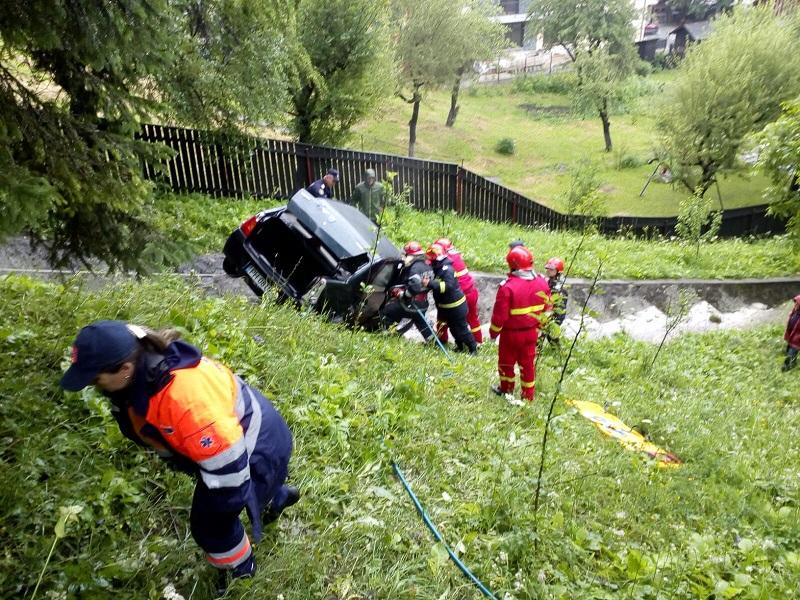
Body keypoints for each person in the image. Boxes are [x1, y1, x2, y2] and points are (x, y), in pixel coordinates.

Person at [59, 321, 299, 586]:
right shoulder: (140, 371)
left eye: (96, 379)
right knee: (235, 491)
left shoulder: (183, 399)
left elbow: (229, 469)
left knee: (210, 526)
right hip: (241, 436)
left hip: (255, 448)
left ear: (125, 369)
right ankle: (276, 496)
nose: (94, 386)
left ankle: (240, 572)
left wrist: (218, 516)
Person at [489, 246, 551, 402]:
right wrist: (540, 327)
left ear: (512, 265)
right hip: (532, 333)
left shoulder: (507, 287)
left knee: (506, 363)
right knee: (528, 365)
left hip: (510, 335)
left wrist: (493, 333)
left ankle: (506, 390)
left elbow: (499, 316)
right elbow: (547, 309)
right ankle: (528, 396)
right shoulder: (542, 283)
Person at [425, 243, 477, 354]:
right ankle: (460, 347)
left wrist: (430, 283)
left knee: (462, 330)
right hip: (447, 307)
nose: (430, 262)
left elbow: (448, 286)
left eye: (432, 259)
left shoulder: (447, 269)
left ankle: (473, 348)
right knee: (454, 329)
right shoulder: (439, 268)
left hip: (456, 307)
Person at [381, 241, 435, 341]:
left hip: (411, 304)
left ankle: (383, 334)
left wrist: (403, 294)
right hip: (423, 304)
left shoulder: (414, 268)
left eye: (405, 255)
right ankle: (433, 342)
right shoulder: (427, 266)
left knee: (389, 311)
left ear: (410, 256)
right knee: (422, 323)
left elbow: (415, 286)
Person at [434, 238, 482, 344]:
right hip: (471, 292)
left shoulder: (444, 262)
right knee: (473, 318)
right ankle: (478, 341)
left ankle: (442, 341)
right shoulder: (456, 256)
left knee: (442, 318)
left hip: (458, 296)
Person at [544, 256, 569, 334]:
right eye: (548, 268)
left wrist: (554, 323)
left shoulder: (560, 289)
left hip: (553, 320)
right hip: (545, 317)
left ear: (558, 271)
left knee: (552, 337)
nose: (548, 271)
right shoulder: (547, 282)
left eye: (551, 269)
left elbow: (560, 311)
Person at [783, 294, 800, 371]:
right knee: (789, 351)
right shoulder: (794, 312)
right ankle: (793, 364)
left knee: (791, 354)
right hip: (791, 337)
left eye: (797, 303)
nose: (795, 304)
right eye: (795, 303)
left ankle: (786, 368)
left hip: (797, 340)